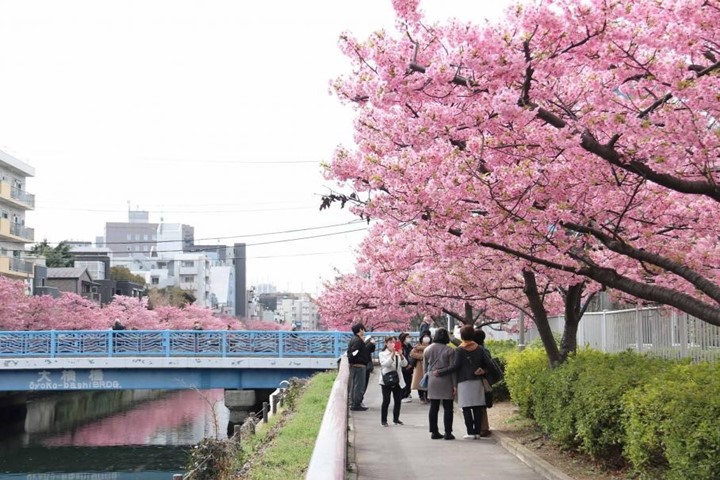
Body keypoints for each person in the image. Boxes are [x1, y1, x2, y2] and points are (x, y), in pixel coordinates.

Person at [437, 325, 489, 439]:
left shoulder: (460, 349)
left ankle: (470, 432)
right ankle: (477, 432)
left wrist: (441, 372)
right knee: (477, 407)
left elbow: (455, 366)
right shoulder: (479, 349)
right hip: (477, 381)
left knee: (466, 407)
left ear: (461, 335)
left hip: (463, 381)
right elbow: (488, 365)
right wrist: (483, 370)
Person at [424, 328, 456, 440]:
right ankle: (448, 433)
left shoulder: (427, 349)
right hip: (447, 380)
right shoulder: (450, 350)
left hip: (432, 379)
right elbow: (453, 368)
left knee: (434, 407)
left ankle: (434, 431)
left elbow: (425, 369)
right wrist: (454, 385)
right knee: (448, 408)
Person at [378, 336, 408, 426]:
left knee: (398, 400)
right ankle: (384, 420)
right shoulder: (382, 354)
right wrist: (392, 354)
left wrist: (401, 354)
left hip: (397, 379)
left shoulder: (398, 354)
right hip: (386, 380)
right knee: (386, 400)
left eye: (394, 342)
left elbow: (405, 364)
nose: (392, 344)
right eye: (390, 342)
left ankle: (396, 419)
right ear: (386, 343)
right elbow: (386, 364)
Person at [347, 323, 372, 411]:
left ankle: (354, 403)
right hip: (359, 366)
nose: (364, 331)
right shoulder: (358, 341)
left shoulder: (353, 339)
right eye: (363, 329)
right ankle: (356, 404)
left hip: (355, 365)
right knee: (359, 386)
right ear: (360, 330)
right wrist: (353, 359)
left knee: (355, 385)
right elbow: (354, 352)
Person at [474, 328, 493, 437]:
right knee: (482, 405)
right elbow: (490, 366)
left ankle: (479, 428)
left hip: (475, 380)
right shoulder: (485, 350)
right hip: (483, 380)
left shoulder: (473, 349)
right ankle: (483, 427)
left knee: (477, 404)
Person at [410, 330, 432, 403]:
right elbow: (412, 354)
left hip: (429, 366)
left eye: (427, 336)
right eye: (424, 336)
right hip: (419, 366)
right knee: (419, 381)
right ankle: (421, 396)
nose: (426, 338)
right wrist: (422, 357)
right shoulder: (417, 346)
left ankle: (427, 396)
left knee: (429, 381)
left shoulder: (432, 346)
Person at [398, 332, 413, 402]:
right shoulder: (399, 346)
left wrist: (411, 364)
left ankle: (407, 393)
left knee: (408, 381)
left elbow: (412, 355)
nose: (409, 338)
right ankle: (402, 395)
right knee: (402, 381)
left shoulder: (409, 346)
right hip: (402, 367)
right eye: (407, 337)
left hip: (409, 367)